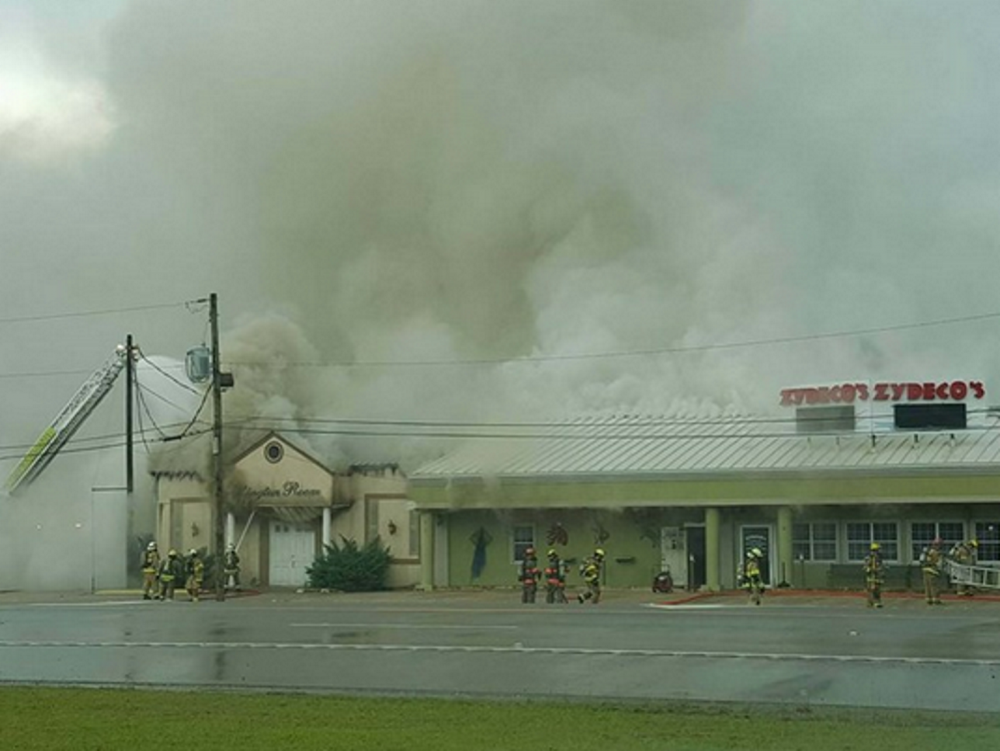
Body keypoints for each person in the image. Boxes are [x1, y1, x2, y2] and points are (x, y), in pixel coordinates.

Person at [920, 537, 943, 605]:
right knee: (934, 586)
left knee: (927, 586)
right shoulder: (937, 553)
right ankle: (936, 599)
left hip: (925, 570)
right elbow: (939, 563)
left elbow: (921, 560)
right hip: (933, 570)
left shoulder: (927, 552)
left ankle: (928, 599)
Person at [862, 542, 885, 608]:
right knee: (871, 590)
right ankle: (870, 603)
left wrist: (881, 571)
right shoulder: (869, 558)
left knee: (877, 590)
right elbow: (865, 567)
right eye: (878, 550)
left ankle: (877, 602)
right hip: (871, 577)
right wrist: (871, 569)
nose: (879, 551)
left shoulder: (879, 558)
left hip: (877, 577)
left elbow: (880, 566)